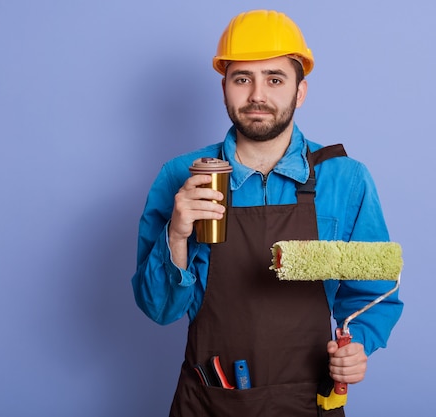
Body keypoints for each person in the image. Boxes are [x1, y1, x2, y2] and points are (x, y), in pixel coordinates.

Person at [132, 9, 403, 417]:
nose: (257, 95)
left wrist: (358, 343)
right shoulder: (181, 177)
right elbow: (159, 310)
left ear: (300, 92)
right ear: (224, 87)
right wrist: (176, 234)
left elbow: (373, 295)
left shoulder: (344, 179)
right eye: (243, 79)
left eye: (275, 79)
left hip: (308, 402)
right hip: (209, 400)